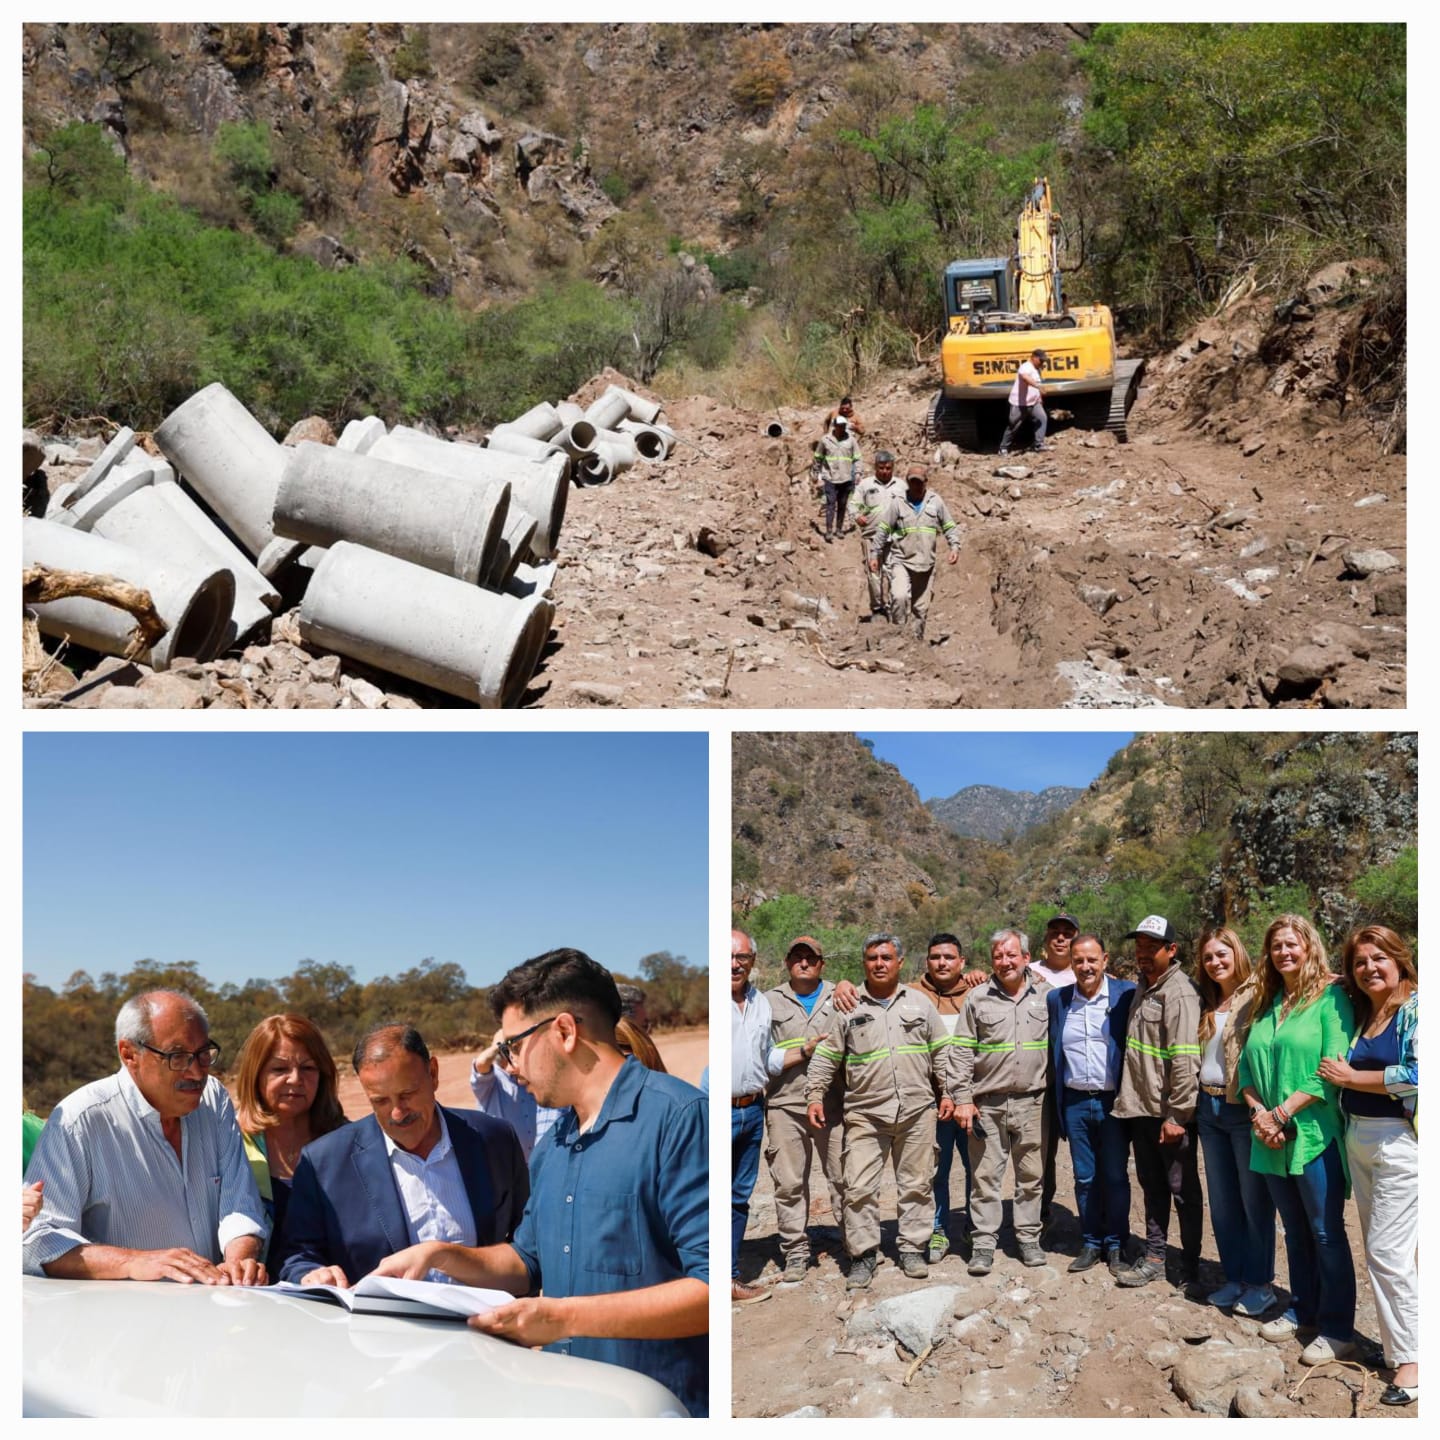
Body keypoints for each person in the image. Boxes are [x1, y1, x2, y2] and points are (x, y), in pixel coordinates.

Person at [374, 948, 709, 1418]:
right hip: (568, 1404)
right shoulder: (555, 1142)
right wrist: (442, 1255)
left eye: (513, 1045)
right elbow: (527, 1261)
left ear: (565, 1032)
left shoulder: (679, 1119)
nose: (509, 1065)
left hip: (660, 1406)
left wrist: (560, 1317)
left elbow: (711, 1291)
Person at [23, 989, 268, 1284]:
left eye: (203, 1054)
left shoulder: (214, 1100)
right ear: (129, 1054)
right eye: (177, 1056)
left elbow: (239, 1204)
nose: (196, 1072)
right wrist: (135, 1261)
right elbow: (38, 1241)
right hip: (121, 1323)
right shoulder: (80, 1120)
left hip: (214, 1311)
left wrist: (239, 1262)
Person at [279, 1022, 529, 1288]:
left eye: (407, 1094)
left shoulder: (494, 1139)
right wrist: (312, 1273)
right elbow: (297, 1256)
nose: (398, 1113)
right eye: (381, 1101)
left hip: (486, 1322)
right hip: (382, 1326)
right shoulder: (323, 1163)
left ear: (433, 1074)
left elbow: (527, 1244)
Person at [1239, 915, 1357, 1367]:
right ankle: (1303, 1309)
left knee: (1326, 1233)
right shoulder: (1268, 1004)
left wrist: (1283, 1112)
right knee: (1295, 1232)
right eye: (1276, 946)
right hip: (1268, 1136)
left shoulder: (1331, 999)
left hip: (1312, 1133)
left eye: (1293, 944)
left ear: (1309, 947)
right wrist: (1259, 1114)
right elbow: (1247, 1070)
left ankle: (1338, 1328)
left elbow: (1331, 1067)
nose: (1284, 953)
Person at [806, 933, 952, 1288]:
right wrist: (813, 1094)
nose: (879, 964)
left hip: (917, 1111)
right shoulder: (848, 1006)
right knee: (857, 1187)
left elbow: (942, 1053)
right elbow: (827, 1056)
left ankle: (913, 1248)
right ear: (864, 963)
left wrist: (950, 1091)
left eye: (886, 957)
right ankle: (864, 1255)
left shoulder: (919, 1003)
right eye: (872, 958)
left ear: (900, 962)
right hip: (865, 1114)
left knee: (917, 1184)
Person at [1320, 926, 1417, 1405]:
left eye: (1379, 958)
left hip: (1400, 1141)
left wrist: (1354, 1076)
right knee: (1387, 1249)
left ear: (1400, 959)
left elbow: (1422, 1075)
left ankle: (1414, 1362)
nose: (1369, 969)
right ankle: (1401, 1348)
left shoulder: (1416, 1007)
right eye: (1360, 963)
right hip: (1359, 1136)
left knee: (1387, 1251)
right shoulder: (1369, 1012)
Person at [1111, 915, 1204, 1291]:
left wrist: (1178, 1115)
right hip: (1141, 1109)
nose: (1144, 954)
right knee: (1151, 1185)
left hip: (1168, 1114)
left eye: (1152, 947)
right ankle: (1154, 1256)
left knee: (1182, 1190)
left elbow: (1185, 1059)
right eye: (1139, 947)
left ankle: (1190, 1263)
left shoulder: (1178, 992)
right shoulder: (1144, 987)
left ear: (1172, 950)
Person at [952, 929, 1052, 1275]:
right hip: (988, 1105)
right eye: (998, 955)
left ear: (1026, 957)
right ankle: (983, 1244)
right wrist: (963, 1099)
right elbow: (961, 1051)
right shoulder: (977, 998)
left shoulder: (1047, 996)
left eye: (1012, 954)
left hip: (1034, 1103)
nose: (1005, 961)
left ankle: (1028, 1238)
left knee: (1031, 1176)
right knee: (985, 1178)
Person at [1193, 928, 1276, 1317]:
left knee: (1253, 1200)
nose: (1215, 962)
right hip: (1207, 1108)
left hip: (1242, 1108)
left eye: (1221, 954)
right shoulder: (1205, 1000)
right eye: (1208, 957)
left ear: (1237, 953)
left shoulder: (1259, 993)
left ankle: (1260, 1284)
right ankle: (1234, 1278)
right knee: (1223, 1202)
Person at [1046, 934, 1136, 1276]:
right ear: (1071, 963)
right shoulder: (1059, 999)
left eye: (1091, 960)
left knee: (1114, 1175)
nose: (1085, 967)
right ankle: (1090, 1242)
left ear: (1105, 960)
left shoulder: (1125, 994)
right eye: (1078, 960)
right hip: (1074, 1101)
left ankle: (1116, 1243)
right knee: (1085, 1177)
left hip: (1113, 1102)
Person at [232, 1013, 348, 1277]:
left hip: (332, 1295)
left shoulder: (347, 1143)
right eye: (279, 1069)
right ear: (255, 1074)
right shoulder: (231, 1142)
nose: (295, 1079)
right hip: (251, 1298)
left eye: (308, 1068)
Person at [762, 936, 839, 1287]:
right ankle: (795, 1250)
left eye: (811, 958)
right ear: (786, 961)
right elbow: (759, 1053)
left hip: (834, 1103)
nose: (804, 963)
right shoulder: (767, 1002)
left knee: (843, 1177)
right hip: (784, 1104)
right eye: (797, 957)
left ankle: (854, 1243)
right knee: (789, 1183)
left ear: (822, 963)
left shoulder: (841, 995)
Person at [913, 933, 987, 1261]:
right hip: (932, 1104)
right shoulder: (912, 995)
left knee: (978, 1168)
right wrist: (843, 983)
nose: (942, 963)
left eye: (949, 957)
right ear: (926, 961)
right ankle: (938, 1230)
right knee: (936, 1171)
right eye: (935, 957)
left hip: (974, 1101)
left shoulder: (980, 992)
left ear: (962, 962)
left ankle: (975, 1228)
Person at [870, 465, 961, 640]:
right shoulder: (898, 502)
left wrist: (954, 546)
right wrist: (875, 554)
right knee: (899, 596)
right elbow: (883, 529)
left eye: (919, 483)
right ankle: (898, 637)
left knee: (920, 608)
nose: (916, 486)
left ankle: (915, 642)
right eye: (912, 482)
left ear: (926, 482)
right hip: (901, 560)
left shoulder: (935, 502)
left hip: (926, 563)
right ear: (907, 483)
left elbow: (949, 526)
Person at [1031, 911, 1080, 1226]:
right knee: (1040, 1149)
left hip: (1076, 1079)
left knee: (1083, 1149)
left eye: (1068, 932)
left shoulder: (1089, 973)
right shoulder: (1026, 972)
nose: (1061, 938)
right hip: (1040, 1078)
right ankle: (1039, 1210)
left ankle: (1095, 1218)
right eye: (1055, 932)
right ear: (1046, 940)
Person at [469, 1025, 567, 1163]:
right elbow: (481, 1063)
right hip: (505, 1165)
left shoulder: (533, 1077)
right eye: (513, 1049)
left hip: (536, 1162)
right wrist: (499, 1045)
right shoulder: (489, 1082)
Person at [848, 449, 902, 620]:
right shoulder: (865, 485)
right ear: (875, 467)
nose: (885, 471)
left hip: (894, 538)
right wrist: (857, 516)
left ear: (892, 468)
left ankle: (895, 608)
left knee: (895, 572)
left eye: (888, 468)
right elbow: (853, 505)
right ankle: (878, 608)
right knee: (873, 573)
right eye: (881, 468)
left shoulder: (901, 486)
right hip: (872, 536)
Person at [812, 414, 862, 542]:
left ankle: (839, 529)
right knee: (830, 504)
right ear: (834, 426)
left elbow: (857, 458)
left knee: (842, 504)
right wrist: (816, 474)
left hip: (846, 478)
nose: (841, 428)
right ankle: (829, 531)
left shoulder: (851, 440)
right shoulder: (825, 440)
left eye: (843, 426)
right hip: (830, 478)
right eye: (839, 426)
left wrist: (858, 473)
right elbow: (818, 457)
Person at [999, 348, 1050, 454]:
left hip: (1034, 402)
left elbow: (1037, 382)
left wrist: (1039, 398)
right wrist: (1038, 387)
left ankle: (1038, 445)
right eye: (1041, 360)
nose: (1042, 362)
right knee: (1014, 425)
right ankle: (1003, 448)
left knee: (1042, 419)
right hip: (1020, 403)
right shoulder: (1025, 367)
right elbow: (1025, 378)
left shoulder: (1037, 369)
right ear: (1034, 358)